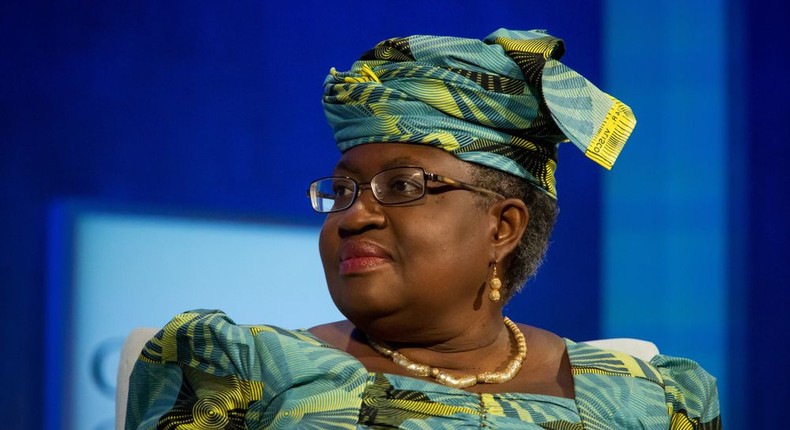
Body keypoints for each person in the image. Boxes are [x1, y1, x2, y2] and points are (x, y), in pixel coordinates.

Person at [125, 29, 720, 429]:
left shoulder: (655, 400)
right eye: (344, 190)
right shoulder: (238, 371)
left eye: (404, 187)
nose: (353, 216)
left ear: (502, 226)